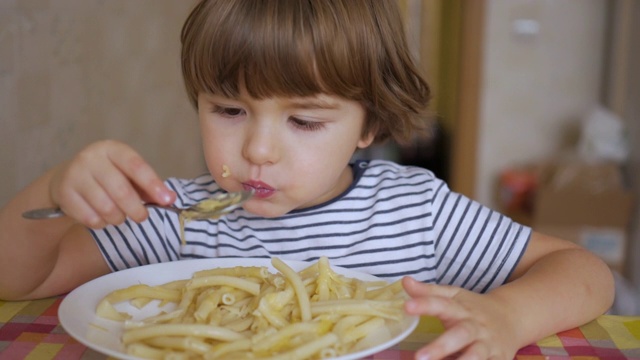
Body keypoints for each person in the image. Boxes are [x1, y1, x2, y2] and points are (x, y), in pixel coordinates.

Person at [0, 1, 614, 359]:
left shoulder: (414, 211)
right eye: (228, 111)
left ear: (368, 124)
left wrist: (507, 317)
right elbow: (19, 279)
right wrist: (54, 193)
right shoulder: (176, 217)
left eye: (304, 120)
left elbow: (588, 274)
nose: (258, 150)